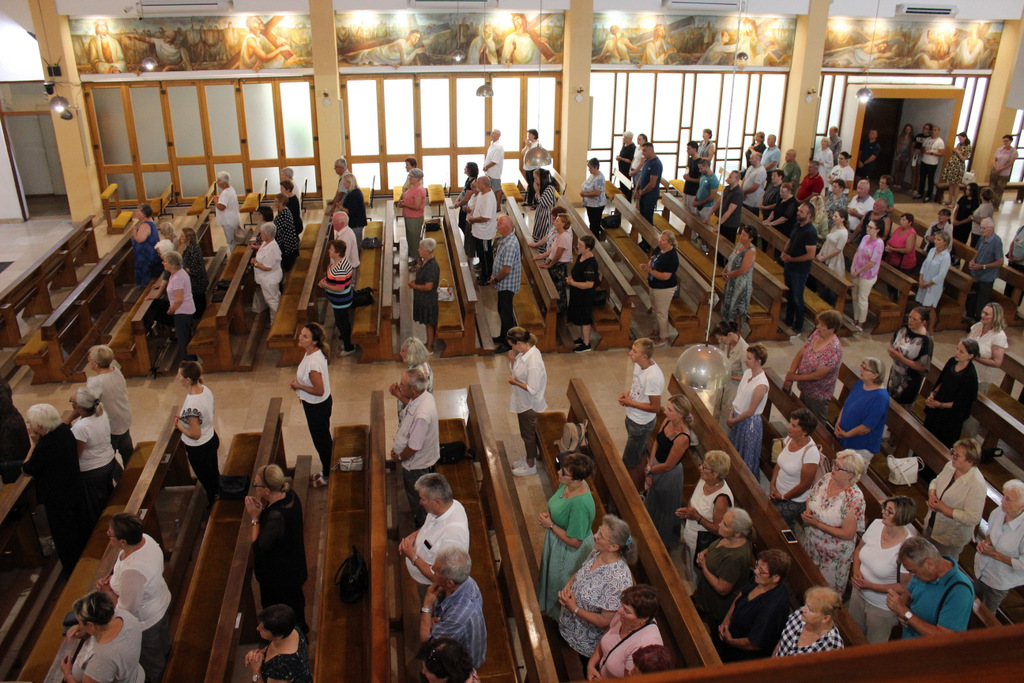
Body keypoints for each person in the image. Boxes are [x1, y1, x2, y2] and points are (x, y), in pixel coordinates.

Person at [97, 513, 171, 682]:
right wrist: (113, 580)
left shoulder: (134, 570)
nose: (108, 534)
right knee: (164, 643)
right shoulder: (145, 539)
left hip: (147, 621)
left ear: (123, 542)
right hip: (160, 601)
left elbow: (128, 609)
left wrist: (109, 592)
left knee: (153, 661)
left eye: (110, 533)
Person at [558, 515, 637, 663]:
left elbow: (605, 621)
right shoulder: (598, 552)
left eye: (601, 536)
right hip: (568, 625)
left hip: (586, 642)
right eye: (598, 531)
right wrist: (568, 586)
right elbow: (581, 572)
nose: (595, 536)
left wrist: (574, 608)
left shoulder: (618, 581)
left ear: (613, 547)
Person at [22, 403, 89, 574]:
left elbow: (26, 469)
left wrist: (34, 444)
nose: (29, 426)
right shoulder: (64, 430)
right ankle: (85, 559)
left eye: (30, 422)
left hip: (58, 498)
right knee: (80, 527)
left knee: (65, 538)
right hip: (75, 487)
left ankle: (74, 572)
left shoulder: (44, 446)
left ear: (40, 426)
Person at [245, 464, 308, 632]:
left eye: (256, 484)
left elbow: (258, 547)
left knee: (281, 611)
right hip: (292, 562)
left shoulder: (277, 516)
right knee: (294, 602)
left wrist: (255, 518)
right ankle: (298, 630)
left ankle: (287, 636)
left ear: (266, 490)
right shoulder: (289, 494)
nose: (255, 487)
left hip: (280, 574)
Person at [849, 495, 915, 643]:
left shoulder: (908, 546)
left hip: (881, 607)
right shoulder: (877, 524)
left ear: (901, 517)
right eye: (885, 508)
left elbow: (903, 587)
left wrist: (871, 586)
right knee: (852, 634)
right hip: (858, 593)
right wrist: (856, 571)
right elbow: (859, 550)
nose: (883, 512)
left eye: (889, 512)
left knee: (873, 645)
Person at [537, 454, 596, 619]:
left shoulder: (580, 505)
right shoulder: (568, 484)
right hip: (557, 540)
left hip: (569, 552)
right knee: (551, 579)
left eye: (564, 472)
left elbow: (576, 541)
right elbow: (558, 504)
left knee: (560, 583)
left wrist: (551, 525)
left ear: (577, 479)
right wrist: (550, 515)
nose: (559, 473)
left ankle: (559, 619)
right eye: (560, 469)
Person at [801, 450, 867, 594]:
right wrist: (808, 511)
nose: (833, 468)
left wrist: (818, 525)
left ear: (850, 475)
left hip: (833, 555)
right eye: (834, 464)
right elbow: (811, 496)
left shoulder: (854, 498)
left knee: (824, 593)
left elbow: (848, 534)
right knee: (807, 581)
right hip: (812, 542)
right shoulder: (827, 478)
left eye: (838, 467)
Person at [886, 536, 974, 638]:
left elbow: (945, 637)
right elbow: (909, 594)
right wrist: (901, 605)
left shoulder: (960, 591)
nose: (911, 575)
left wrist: (905, 613)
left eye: (913, 571)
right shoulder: (924, 573)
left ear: (929, 563)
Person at [714, 549, 792, 662]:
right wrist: (726, 620)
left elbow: (754, 643)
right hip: (730, 635)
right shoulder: (760, 580)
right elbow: (741, 595)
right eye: (757, 566)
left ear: (775, 578)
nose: (755, 571)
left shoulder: (773, 607)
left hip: (743, 656)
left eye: (761, 571)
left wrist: (730, 641)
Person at [421, 546, 486, 670]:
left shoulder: (458, 616)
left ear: (449, 583)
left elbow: (427, 644)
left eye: (436, 570)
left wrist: (427, 605)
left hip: (460, 664)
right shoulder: (465, 581)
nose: (432, 569)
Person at [398, 473, 469, 586]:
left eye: (423, 499)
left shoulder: (452, 537)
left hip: (427, 582)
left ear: (437, 501)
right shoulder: (445, 506)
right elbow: (429, 526)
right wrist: (414, 536)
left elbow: (439, 577)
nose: (420, 502)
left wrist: (412, 556)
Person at [390, 366, 440, 527]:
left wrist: (399, 457)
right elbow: (412, 406)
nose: (399, 386)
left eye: (402, 385)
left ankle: (423, 526)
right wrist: (398, 395)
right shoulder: (425, 396)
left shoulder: (421, 417)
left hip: (416, 466)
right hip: (420, 460)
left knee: (419, 499)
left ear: (413, 389)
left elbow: (414, 447)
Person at [924, 438, 986, 561]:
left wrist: (943, 508)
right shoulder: (950, 466)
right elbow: (936, 481)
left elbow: (973, 518)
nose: (953, 457)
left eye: (957, 456)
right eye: (953, 452)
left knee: (942, 566)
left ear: (970, 461)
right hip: (932, 523)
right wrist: (932, 494)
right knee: (925, 559)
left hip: (950, 537)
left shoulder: (977, 484)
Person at [61, 591, 144, 683]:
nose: (78, 625)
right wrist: (87, 632)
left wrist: (67, 674)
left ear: (91, 625)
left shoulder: (102, 658)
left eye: (80, 622)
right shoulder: (124, 615)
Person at [65, 387, 117, 531]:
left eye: (71, 401)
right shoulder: (101, 412)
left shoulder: (81, 427)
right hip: (108, 461)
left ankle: (100, 532)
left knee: (94, 507)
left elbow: (76, 455)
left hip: (92, 472)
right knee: (106, 496)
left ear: (79, 406)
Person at [643, 394, 691, 548]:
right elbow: (657, 442)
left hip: (669, 475)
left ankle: (664, 542)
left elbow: (669, 465)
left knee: (665, 508)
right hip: (656, 465)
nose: (665, 411)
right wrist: (650, 463)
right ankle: (650, 532)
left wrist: (650, 470)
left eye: (670, 410)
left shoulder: (683, 437)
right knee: (653, 500)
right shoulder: (667, 421)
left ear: (681, 414)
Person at [676, 450, 734, 575]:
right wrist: (688, 511)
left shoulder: (721, 498)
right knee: (690, 569)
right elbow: (694, 498)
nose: (700, 468)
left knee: (698, 574)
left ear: (716, 473)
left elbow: (719, 529)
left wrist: (697, 517)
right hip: (690, 534)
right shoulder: (704, 479)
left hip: (703, 544)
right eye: (702, 464)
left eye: (705, 467)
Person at [586, 585, 664, 679]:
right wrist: (591, 665)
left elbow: (630, 680)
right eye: (622, 606)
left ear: (643, 619)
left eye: (627, 611)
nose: (619, 611)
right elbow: (606, 635)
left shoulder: (643, 645)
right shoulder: (624, 617)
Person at [289, 324, 333, 489]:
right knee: (322, 439)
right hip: (317, 405)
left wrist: (299, 386)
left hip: (317, 407)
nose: (300, 337)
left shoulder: (313, 363)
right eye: (301, 334)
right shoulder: (311, 352)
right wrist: (298, 383)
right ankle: (327, 468)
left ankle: (328, 474)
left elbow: (319, 391)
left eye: (305, 336)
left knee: (322, 442)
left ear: (314, 341)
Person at [693, 508, 754, 626]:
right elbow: (717, 547)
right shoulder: (730, 537)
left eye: (725, 525)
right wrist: (706, 551)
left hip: (713, 608)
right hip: (703, 595)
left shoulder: (735, 558)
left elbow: (722, 589)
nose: (720, 525)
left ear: (738, 533)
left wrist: (704, 566)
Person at [619, 339, 665, 491]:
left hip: (641, 424)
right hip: (633, 417)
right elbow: (637, 387)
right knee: (638, 454)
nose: (630, 353)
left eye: (634, 351)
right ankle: (640, 483)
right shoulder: (639, 365)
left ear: (644, 356)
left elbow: (655, 407)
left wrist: (631, 403)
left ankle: (632, 492)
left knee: (629, 462)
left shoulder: (653, 377)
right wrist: (628, 395)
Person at [783, 310, 843, 425]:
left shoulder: (833, 349)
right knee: (803, 417)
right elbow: (801, 353)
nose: (817, 326)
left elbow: (818, 375)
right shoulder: (817, 334)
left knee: (817, 424)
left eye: (822, 325)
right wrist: (791, 376)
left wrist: (795, 377)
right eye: (819, 323)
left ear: (832, 329)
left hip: (818, 393)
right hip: (806, 387)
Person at [173, 361, 220, 506]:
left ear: (188, 379)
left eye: (180, 375)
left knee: (208, 481)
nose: (177, 378)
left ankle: (215, 505)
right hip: (211, 437)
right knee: (214, 474)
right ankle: (219, 494)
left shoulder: (192, 405)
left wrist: (179, 425)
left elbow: (195, 434)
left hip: (200, 449)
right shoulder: (204, 388)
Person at [974, 479, 1024, 614]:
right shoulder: (999, 512)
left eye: (1008, 499)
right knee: (969, 602)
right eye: (1003, 496)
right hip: (981, 568)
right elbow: (991, 532)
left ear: (1022, 506)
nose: (1002, 501)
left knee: (986, 615)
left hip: (999, 580)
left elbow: (1022, 564)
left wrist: (995, 554)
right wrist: (985, 543)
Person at [769, 408, 821, 529]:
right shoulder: (790, 438)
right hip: (778, 491)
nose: (789, 427)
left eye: (794, 426)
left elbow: (805, 485)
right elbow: (780, 463)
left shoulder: (811, 453)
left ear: (805, 431)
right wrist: (772, 484)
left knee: (776, 524)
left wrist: (783, 497)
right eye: (790, 423)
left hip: (794, 499)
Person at [506, 327, 548, 477]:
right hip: (522, 401)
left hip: (529, 405)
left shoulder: (533, 361)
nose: (511, 348)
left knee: (528, 436)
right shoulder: (524, 353)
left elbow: (533, 389)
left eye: (512, 345)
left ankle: (531, 465)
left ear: (519, 343)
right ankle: (530, 457)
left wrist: (514, 383)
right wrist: (513, 360)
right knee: (527, 434)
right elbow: (518, 371)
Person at [923, 340, 980, 447]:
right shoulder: (952, 362)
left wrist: (940, 405)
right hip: (936, 408)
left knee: (940, 444)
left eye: (961, 351)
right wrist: (933, 394)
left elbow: (962, 403)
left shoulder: (970, 375)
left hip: (951, 417)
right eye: (957, 349)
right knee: (926, 438)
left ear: (971, 355)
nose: (957, 353)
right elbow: (942, 381)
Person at [85, 345, 133, 469]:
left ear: (96, 364)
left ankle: (121, 477)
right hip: (123, 416)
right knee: (127, 451)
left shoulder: (96, 382)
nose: (88, 360)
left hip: (111, 423)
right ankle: (133, 474)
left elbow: (89, 403)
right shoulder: (115, 369)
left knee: (108, 457)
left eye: (90, 359)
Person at [727, 344, 769, 479]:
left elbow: (751, 411)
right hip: (736, 417)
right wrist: (731, 414)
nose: (745, 360)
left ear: (758, 362)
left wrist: (733, 420)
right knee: (734, 452)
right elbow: (738, 396)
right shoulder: (747, 373)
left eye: (749, 359)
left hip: (748, 423)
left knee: (746, 457)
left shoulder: (761, 384)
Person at [834, 357, 889, 455]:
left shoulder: (880, 398)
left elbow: (866, 427)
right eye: (862, 366)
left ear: (875, 375)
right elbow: (847, 403)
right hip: (843, 435)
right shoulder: (861, 383)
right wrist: (838, 423)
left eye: (865, 369)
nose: (861, 370)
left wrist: (847, 434)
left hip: (860, 446)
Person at [244, 604, 312, 683]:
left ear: (278, 635)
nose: (257, 628)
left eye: (263, 629)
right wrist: (259, 653)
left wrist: (256, 671)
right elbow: (274, 647)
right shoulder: (292, 629)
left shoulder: (281, 666)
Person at [772, 587, 844, 657]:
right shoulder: (800, 614)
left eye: (810, 609)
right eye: (805, 604)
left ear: (825, 618)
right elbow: (781, 641)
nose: (803, 609)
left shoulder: (833, 644)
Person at [781, 202, 818, 332]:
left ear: (809, 215)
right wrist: (785, 252)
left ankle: (798, 325)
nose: (798, 213)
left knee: (797, 298)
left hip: (800, 271)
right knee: (790, 295)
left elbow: (811, 255)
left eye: (801, 212)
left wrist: (791, 259)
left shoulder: (810, 232)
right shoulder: (797, 225)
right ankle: (788, 320)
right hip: (789, 266)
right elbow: (791, 240)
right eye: (798, 210)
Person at [639, 230, 679, 347]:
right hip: (654, 285)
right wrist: (648, 265)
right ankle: (656, 331)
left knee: (661, 312)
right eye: (660, 238)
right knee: (655, 309)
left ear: (670, 243)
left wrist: (650, 270)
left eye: (662, 240)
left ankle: (663, 337)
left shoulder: (671, 257)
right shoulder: (659, 248)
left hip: (664, 288)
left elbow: (665, 276)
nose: (659, 241)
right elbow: (653, 258)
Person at [887, 308, 934, 406]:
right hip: (894, 376)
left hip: (909, 383)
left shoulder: (926, 341)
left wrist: (901, 359)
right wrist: (891, 350)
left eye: (914, 319)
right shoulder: (903, 328)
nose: (910, 321)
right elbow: (892, 342)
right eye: (910, 317)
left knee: (900, 410)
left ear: (924, 322)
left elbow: (923, 367)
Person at [319, 240, 356, 357]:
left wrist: (325, 286)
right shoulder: (340, 262)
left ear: (337, 252)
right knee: (342, 322)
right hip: (338, 301)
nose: (329, 251)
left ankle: (349, 347)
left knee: (342, 324)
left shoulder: (340, 268)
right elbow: (333, 279)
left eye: (331, 249)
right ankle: (347, 340)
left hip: (341, 301)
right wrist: (326, 280)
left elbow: (340, 288)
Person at [490, 216, 521, 350]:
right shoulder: (505, 239)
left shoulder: (511, 244)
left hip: (507, 285)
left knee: (506, 314)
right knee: (502, 311)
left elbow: (507, 269)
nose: (497, 228)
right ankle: (503, 336)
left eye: (499, 225)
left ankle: (508, 343)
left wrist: (496, 279)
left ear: (507, 227)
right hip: (502, 283)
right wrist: (494, 274)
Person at [710, 320, 748, 427]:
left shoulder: (744, 351)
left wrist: (729, 376)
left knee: (726, 414)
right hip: (724, 384)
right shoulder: (727, 344)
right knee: (718, 409)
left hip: (734, 389)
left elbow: (748, 377)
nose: (720, 341)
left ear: (730, 335)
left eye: (721, 339)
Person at [850, 220, 885, 332]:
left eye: (870, 227)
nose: (867, 228)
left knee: (862, 298)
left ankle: (861, 322)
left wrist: (859, 271)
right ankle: (855, 318)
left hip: (867, 275)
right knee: (854, 296)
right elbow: (857, 252)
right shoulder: (865, 238)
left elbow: (872, 263)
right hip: (856, 271)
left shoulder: (879, 243)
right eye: (868, 226)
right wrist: (852, 267)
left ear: (877, 230)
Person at [566, 234, 599, 353]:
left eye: (581, 245)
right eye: (579, 244)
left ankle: (586, 344)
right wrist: (572, 278)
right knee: (579, 316)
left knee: (584, 318)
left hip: (585, 295)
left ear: (588, 249)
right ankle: (582, 338)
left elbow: (589, 284)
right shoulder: (581, 256)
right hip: (577, 293)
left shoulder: (590, 264)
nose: (578, 247)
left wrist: (573, 283)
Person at [721, 225, 757, 329]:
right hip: (731, 282)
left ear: (751, 238)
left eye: (744, 235)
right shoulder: (739, 245)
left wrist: (729, 274)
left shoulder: (751, 251)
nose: (741, 236)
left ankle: (736, 333)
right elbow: (731, 259)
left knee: (737, 311)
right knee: (729, 307)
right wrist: (725, 270)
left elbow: (743, 270)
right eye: (741, 234)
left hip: (741, 286)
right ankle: (728, 330)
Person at [967, 217, 1004, 320]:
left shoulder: (996, 241)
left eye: (984, 228)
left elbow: (1000, 262)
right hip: (976, 274)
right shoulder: (983, 237)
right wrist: (973, 260)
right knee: (972, 297)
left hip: (987, 277)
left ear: (992, 228)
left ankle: (980, 321)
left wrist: (982, 266)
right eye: (981, 227)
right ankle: (970, 316)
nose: (981, 230)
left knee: (982, 302)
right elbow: (978, 250)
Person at [536, 213, 573, 313]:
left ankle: (559, 311)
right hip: (555, 264)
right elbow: (553, 250)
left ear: (563, 224)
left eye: (557, 221)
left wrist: (549, 265)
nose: (554, 222)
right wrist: (547, 261)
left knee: (558, 289)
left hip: (560, 266)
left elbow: (558, 255)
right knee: (552, 287)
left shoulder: (564, 236)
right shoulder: (558, 235)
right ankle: (551, 309)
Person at [411, 237, 440, 354]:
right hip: (424, 298)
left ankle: (430, 347)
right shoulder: (426, 261)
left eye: (421, 248)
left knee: (429, 324)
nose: (418, 250)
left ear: (427, 251)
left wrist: (414, 286)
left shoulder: (432, 266)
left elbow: (428, 286)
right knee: (427, 323)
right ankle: (428, 343)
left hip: (429, 299)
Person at [968, 303, 1008, 388]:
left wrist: (975, 358)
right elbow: (966, 343)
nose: (982, 315)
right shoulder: (978, 326)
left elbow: (997, 363)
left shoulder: (999, 336)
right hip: (966, 369)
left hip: (981, 377)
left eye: (986, 314)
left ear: (996, 317)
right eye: (983, 312)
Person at [467, 176, 497, 285]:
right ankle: (483, 271)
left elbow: (485, 218)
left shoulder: (489, 198)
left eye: (478, 183)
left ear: (484, 185)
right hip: (478, 231)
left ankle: (487, 277)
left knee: (486, 255)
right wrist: (471, 215)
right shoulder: (481, 193)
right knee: (480, 252)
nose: (476, 185)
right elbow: (477, 207)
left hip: (485, 233)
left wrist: (473, 220)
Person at [250, 223, 282, 324]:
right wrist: (256, 259)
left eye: (262, 233)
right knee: (273, 299)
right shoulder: (265, 242)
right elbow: (261, 255)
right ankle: (274, 320)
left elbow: (268, 267)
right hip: (266, 279)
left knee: (272, 301)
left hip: (269, 279)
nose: (260, 235)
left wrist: (255, 264)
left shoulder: (272, 249)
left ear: (268, 235)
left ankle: (277, 323)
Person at [817, 208, 849, 307]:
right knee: (825, 282)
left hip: (834, 259)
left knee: (832, 285)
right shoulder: (834, 228)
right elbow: (827, 242)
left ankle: (830, 305)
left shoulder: (844, 233)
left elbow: (838, 250)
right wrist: (820, 254)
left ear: (842, 219)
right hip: (826, 254)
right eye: (834, 216)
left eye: (836, 216)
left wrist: (824, 257)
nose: (833, 218)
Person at [177, 227, 208, 319]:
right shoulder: (192, 247)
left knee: (199, 303)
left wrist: (184, 269)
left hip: (197, 281)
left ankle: (201, 318)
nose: (180, 237)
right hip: (197, 280)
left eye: (182, 236)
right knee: (199, 301)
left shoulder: (192, 250)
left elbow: (193, 269)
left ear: (188, 238)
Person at [916, 231, 952, 310]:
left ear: (945, 242)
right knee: (922, 307)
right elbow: (924, 265)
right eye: (935, 239)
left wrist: (927, 284)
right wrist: (921, 279)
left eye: (938, 240)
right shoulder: (932, 250)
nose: (935, 241)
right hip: (924, 282)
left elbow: (941, 275)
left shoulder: (946, 256)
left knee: (929, 308)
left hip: (933, 286)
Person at [399, 168, 427, 267]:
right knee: (410, 239)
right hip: (409, 216)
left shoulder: (419, 189)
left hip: (415, 218)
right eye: (409, 176)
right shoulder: (412, 187)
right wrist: (403, 202)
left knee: (414, 240)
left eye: (411, 176)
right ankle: (415, 259)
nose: (409, 178)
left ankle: (419, 263)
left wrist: (404, 204)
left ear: (417, 178)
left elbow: (416, 206)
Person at [131, 203, 162, 287]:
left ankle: (146, 288)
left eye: (138, 212)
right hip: (148, 253)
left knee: (146, 276)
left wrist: (134, 232)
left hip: (146, 256)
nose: (136, 213)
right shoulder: (148, 222)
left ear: (144, 214)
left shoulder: (145, 225)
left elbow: (140, 239)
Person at [451, 162, 479, 251]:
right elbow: (463, 192)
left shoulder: (473, 182)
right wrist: (457, 200)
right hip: (462, 205)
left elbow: (467, 198)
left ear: (470, 170)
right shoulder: (468, 179)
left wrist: (458, 204)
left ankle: (470, 242)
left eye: (466, 167)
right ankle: (468, 241)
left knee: (464, 224)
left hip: (466, 206)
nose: (464, 169)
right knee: (461, 224)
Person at [712, 170, 744, 243]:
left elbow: (730, 211)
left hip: (730, 224)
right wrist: (709, 214)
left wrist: (719, 224)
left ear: (736, 180)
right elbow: (719, 202)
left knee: (727, 244)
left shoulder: (738, 193)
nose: (728, 178)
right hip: (723, 220)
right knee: (717, 242)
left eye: (730, 177)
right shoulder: (727, 188)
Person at [634, 143, 663, 225]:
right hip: (643, 194)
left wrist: (641, 192)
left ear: (651, 150)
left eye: (644, 151)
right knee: (642, 218)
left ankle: (648, 234)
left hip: (650, 196)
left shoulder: (656, 164)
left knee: (647, 220)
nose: (643, 153)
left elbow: (652, 184)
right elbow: (642, 176)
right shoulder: (647, 161)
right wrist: (637, 188)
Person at [941, 132, 972, 207]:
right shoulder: (959, 145)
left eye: (960, 138)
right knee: (951, 183)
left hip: (958, 167)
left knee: (956, 184)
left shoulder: (968, 147)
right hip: (953, 166)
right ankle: (949, 199)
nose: (959, 140)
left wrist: (958, 152)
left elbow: (964, 158)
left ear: (965, 138)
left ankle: (954, 201)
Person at [270, 194, 299, 272]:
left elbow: (277, 231)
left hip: (285, 244)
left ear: (281, 203)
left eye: (276, 201)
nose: (274, 203)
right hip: (287, 241)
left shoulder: (283, 214)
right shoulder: (284, 210)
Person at [214, 171, 240, 251]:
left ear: (223, 182)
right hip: (233, 218)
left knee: (231, 241)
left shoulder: (225, 193)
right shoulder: (230, 189)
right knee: (234, 239)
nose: (217, 183)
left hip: (228, 221)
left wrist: (215, 201)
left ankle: (234, 257)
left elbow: (221, 207)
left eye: (218, 181)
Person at [918, 125, 945, 202]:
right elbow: (922, 148)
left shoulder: (940, 141)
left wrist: (931, 152)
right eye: (933, 130)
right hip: (924, 161)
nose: (933, 131)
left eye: (935, 130)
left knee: (930, 179)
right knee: (922, 178)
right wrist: (923, 151)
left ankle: (928, 195)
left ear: (938, 131)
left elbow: (941, 153)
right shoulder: (927, 139)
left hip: (932, 163)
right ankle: (920, 193)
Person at [989, 133, 1019, 201]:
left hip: (1004, 173)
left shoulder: (1013, 151)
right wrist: (995, 166)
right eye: (1004, 141)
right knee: (992, 187)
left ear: (1010, 141)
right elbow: (995, 159)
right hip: (995, 170)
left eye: (1006, 141)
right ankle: (989, 202)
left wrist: (1001, 168)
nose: (1005, 142)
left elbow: (1010, 163)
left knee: (999, 189)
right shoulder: (999, 149)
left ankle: (996, 204)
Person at [580, 159, 607, 235]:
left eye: (591, 168)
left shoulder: (599, 178)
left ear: (596, 167)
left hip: (596, 205)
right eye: (589, 167)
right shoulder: (592, 175)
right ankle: (592, 237)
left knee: (594, 225)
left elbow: (598, 192)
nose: (589, 169)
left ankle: (595, 239)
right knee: (592, 223)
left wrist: (585, 194)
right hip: (590, 204)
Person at [532, 169, 558, 242]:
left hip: (546, 217)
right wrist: (537, 191)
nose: (534, 181)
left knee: (543, 235)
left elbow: (544, 203)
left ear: (542, 178)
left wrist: (537, 192)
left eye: (536, 178)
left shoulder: (549, 188)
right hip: (540, 215)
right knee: (538, 234)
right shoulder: (542, 187)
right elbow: (537, 200)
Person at [483, 129, 505, 207]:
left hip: (495, 172)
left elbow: (495, 161)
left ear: (498, 136)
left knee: (497, 189)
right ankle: (492, 204)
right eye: (491, 133)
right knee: (491, 189)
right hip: (489, 171)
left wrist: (486, 166)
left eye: (493, 134)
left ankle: (498, 206)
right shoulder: (492, 144)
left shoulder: (498, 147)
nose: (491, 135)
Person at [521, 129, 541, 205]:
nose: (528, 136)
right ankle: (529, 201)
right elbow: (522, 152)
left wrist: (529, 147)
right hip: (527, 167)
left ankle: (535, 202)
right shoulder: (529, 144)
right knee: (530, 185)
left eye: (529, 134)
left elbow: (531, 155)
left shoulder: (537, 144)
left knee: (534, 185)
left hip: (534, 168)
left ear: (534, 135)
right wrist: (526, 146)